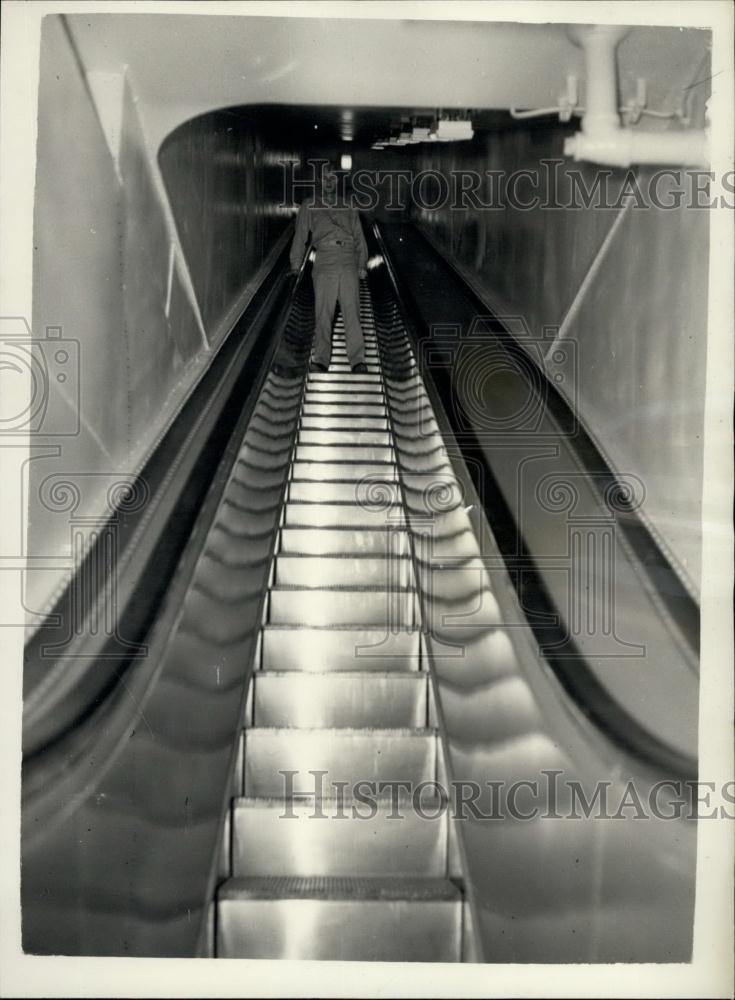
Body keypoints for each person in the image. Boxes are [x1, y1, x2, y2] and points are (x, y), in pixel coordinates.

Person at [289, 165, 369, 374]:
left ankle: (357, 360)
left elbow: (359, 236)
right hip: (325, 258)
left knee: (352, 312)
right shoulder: (309, 205)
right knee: (323, 312)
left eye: (333, 178)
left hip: (349, 258)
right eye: (325, 178)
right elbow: (300, 236)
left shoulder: (348, 205)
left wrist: (362, 263)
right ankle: (322, 359)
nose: (329, 182)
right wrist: (295, 264)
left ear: (338, 181)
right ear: (319, 181)